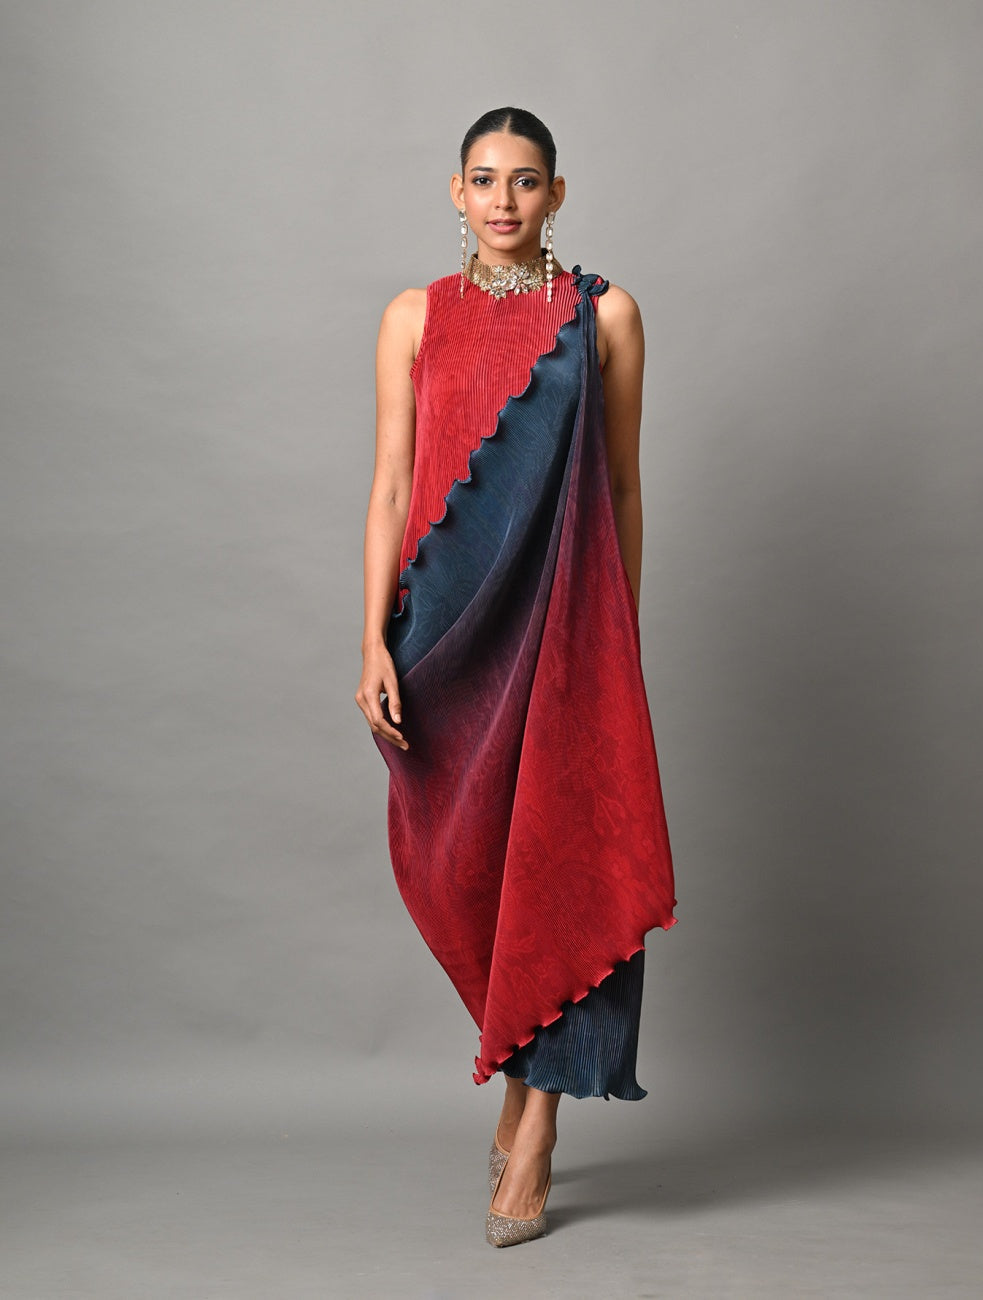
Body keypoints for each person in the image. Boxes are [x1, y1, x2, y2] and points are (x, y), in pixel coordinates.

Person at [355, 107, 676, 1247]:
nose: (503, 200)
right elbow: (393, 486)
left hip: (567, 627)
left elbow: (623, 487)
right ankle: (518, 1066)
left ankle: (536, 1126)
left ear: (557, 193)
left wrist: (616, 633)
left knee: (565, 861)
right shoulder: (413, 316)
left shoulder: (604, 315)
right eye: (484, 179)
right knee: (465, 871)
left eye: (525, 180)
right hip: (443, 633)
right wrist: (371, 640)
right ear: (457, 192)